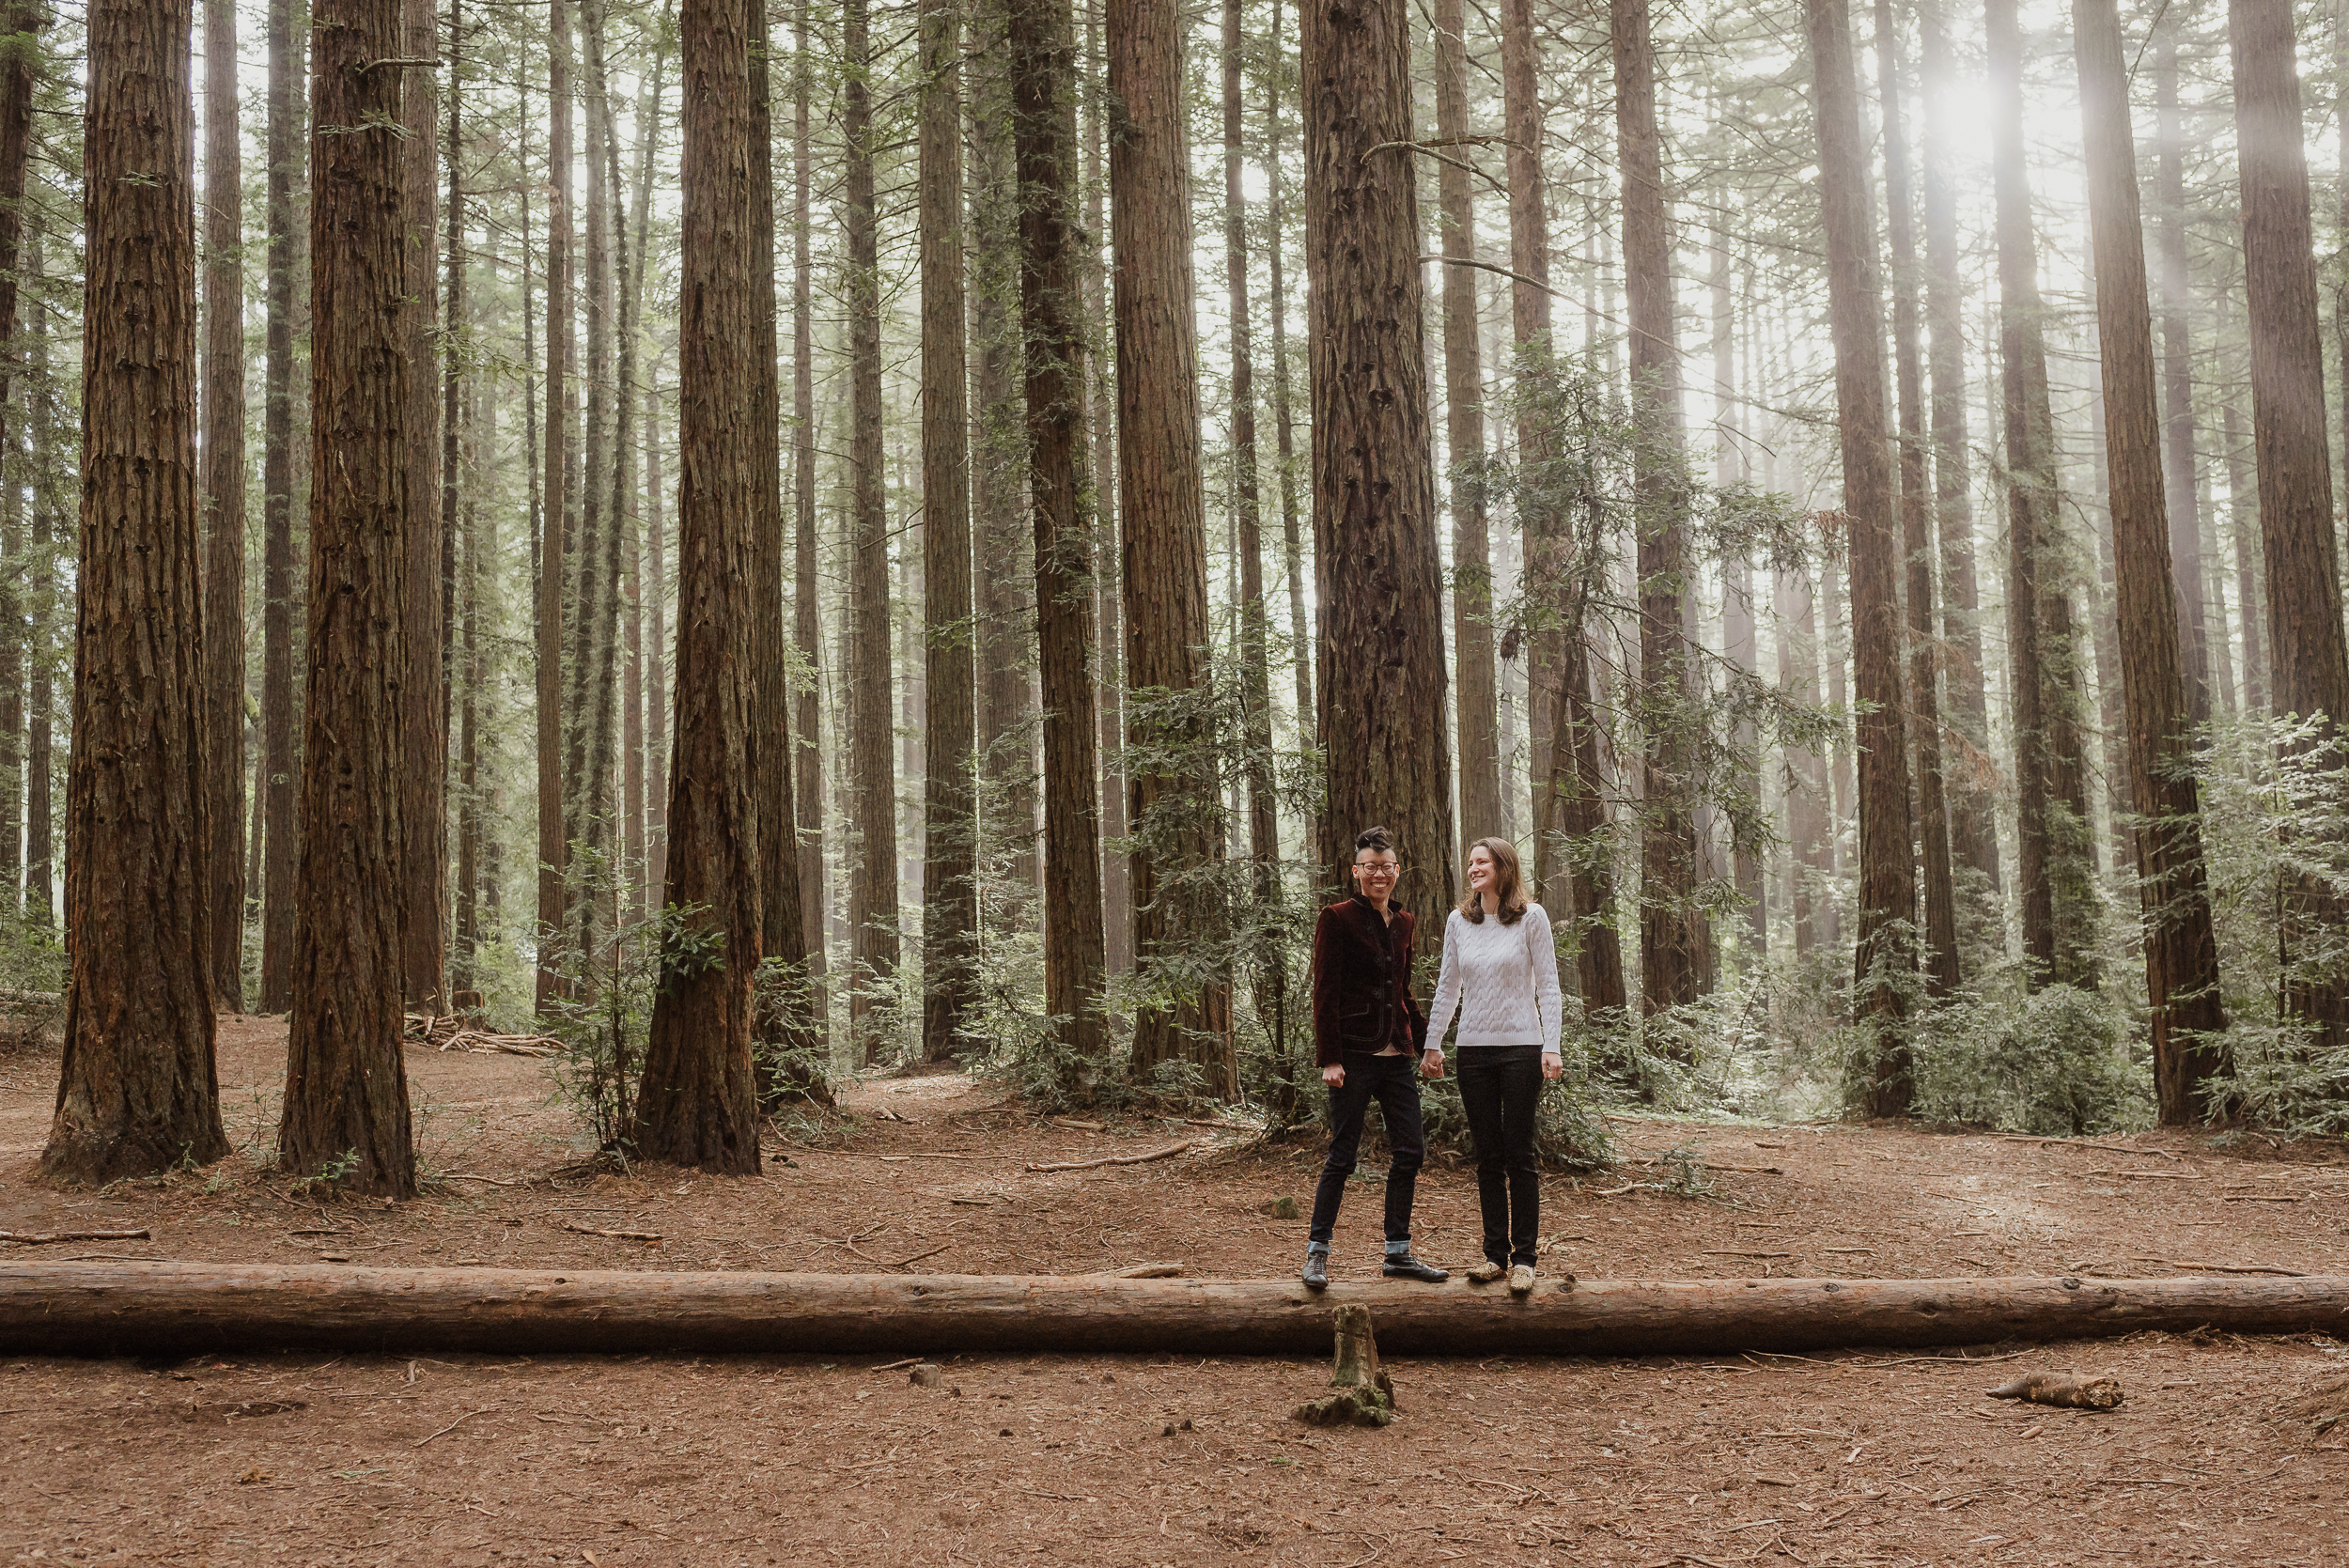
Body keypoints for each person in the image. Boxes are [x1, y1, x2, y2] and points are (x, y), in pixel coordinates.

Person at [1300, 826, 1449, 1290]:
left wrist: (1427, 1044)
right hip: (1354, 1057)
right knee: (1342, 1156)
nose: (1378, 874)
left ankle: (1397, 1252)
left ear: (1397, 871)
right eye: (1370, 867)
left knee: (1410, 1151)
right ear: (1356, 872)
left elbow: (1402, 990)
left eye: (1386, 867)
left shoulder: (1404, 922)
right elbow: (1325, 991)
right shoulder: (1337, 918)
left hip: (1396, 1056)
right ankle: (1317, 1254)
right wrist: (1330, 1058)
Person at [1422, 836, 1563, 1295]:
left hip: (1523, 1047)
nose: (1473, 869)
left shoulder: (1531, 917)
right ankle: (1494, 1255)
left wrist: (1552, 1046)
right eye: (1470, 863)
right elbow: (1448, 987)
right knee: (1487, 1155)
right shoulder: (1459, 922)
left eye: (1482, 862)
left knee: (1519, 1152)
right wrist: (1432, 1043)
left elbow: (1548, 986)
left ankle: (1525, 1258)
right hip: (1474, 1051)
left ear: (1504, 866)